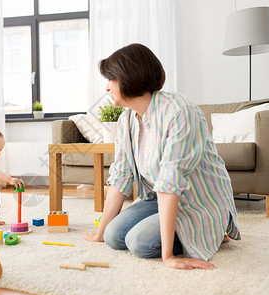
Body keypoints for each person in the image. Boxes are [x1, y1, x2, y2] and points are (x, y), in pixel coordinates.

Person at [83, 43, 240, 270]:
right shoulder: (126, 121)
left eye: (110, 79)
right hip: (158, 199)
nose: (107, 88)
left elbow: (170, 181)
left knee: (139, 243)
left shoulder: (180, 111)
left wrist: (168, 256)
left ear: (128, 77)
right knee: (113, 236)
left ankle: (213, 228)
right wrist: (100, 234)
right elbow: (121, 177)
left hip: (196, 200)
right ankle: (181, 230)